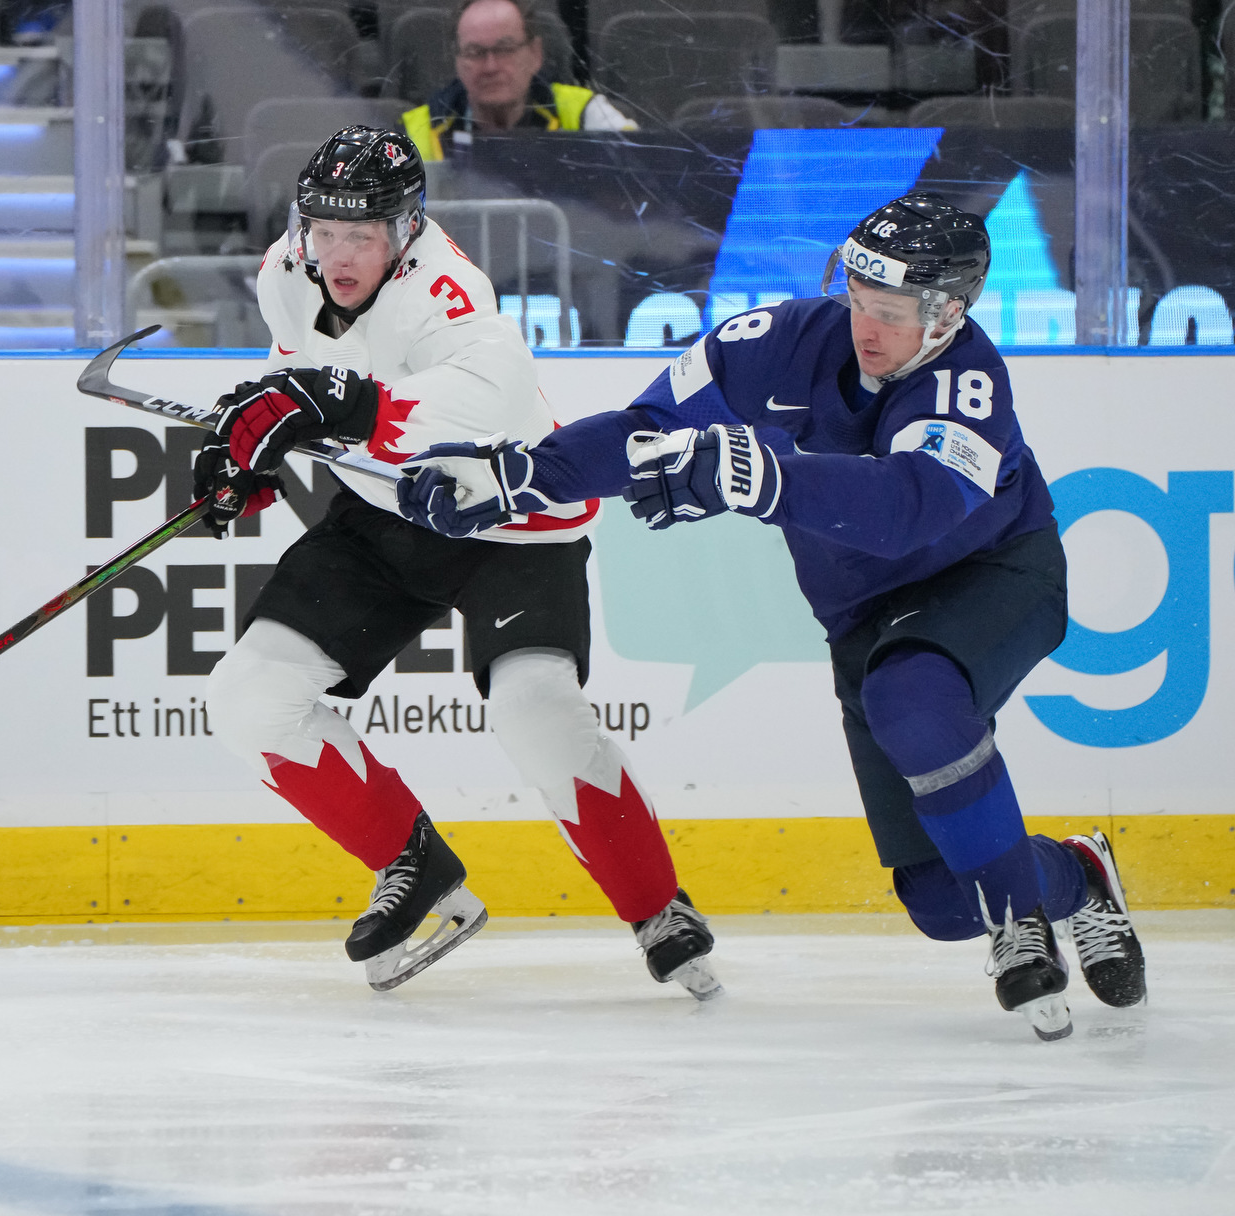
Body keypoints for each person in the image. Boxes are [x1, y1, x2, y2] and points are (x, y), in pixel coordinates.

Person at [396, 192, 1148, 1040]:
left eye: (892, 313)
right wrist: (517, 477)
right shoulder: (778, 341)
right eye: (859, 300)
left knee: (914, 694)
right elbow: (647, 429)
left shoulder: (969, 381)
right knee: (940, 903)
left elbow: (914, 508)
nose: (866, 327)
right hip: (864, 614)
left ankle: (1018, 922)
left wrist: (766, 480)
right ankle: (1075, 876)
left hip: (994, 576)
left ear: (948, 313)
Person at [194, 123, 721, 998]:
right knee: (249, 697)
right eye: (324, 230)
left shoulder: (449, 289)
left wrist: (333, 401)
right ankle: (418, 872)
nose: (338, 254)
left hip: (509, 513)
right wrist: (249, 453)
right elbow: (302, 383)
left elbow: (487, 398)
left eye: (362, 234)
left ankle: (659, 906)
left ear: (405, 229)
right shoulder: (285, 274)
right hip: (384, 516)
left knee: (533, 707)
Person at [401, 0, 635, 162]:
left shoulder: (584, 112)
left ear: (535, 54)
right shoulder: (413, 133)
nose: (491, 66)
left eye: (505, 49)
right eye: (475, 52)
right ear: (458, 61)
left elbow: (644, 166)